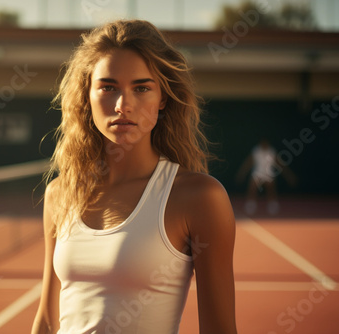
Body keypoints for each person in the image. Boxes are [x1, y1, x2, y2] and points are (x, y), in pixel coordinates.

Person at [32, 19, 237, 334]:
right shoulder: (60, 193)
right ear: (87, 95)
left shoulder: (199, 198)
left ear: (163, 99)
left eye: (141, 88)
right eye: (108, 87)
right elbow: (47, 320)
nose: (122, 105)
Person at [236, 138, 297, 215]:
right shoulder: (256, 151)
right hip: (258, 173)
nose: (264, 144)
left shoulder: (271, 151)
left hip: (268, 174)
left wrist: (289, 175)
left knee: (271, 188)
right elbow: (248, 163)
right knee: (252, 187)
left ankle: (272, 205)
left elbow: (280, 164)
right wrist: (242, 173)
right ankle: (251, 205)